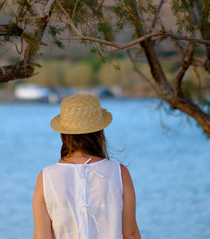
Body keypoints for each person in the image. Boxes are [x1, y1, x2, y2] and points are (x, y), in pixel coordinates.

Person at [33, 93, 141, 239]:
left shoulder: (46, 177)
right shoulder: (120, 173)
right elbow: (131, 234)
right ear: (99, 132)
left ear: (64, 134)